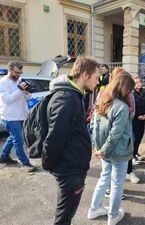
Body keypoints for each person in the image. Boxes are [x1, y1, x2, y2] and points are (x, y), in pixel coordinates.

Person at [42, 56, 99, 225]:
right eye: (96, 77)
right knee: (64, 217)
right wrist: (49, 163)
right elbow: (54, 138)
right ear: (85, 75)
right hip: (69, 170)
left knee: (66, 215)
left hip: (72, 166)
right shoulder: (66, 99)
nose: (98, 82)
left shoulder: (74, 95)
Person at [88, 73, 135, 225]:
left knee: (104, 178)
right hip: (117, 151)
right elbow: (116, 135)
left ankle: (94, 209)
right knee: (116, 184)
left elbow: (93, 127)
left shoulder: (102, 99)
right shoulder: (122, 107)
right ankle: (113, 216)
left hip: (104, 149)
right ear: (124, 89)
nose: (131, 93)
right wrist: (102, 150)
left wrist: (99, 148)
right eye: (130, 90)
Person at [0, 61, 36, 172]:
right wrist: (19, 90)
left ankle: (3, 156)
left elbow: (28, 98)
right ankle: (25, 163)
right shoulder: (3, 83)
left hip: (21, 115)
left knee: (13, 137)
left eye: (20, 72)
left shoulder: (19, 81)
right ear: (10, 70)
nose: (18, 75)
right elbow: (7, 100)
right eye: (16, 72)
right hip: (10, 117)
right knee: (18, 141)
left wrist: (26, 92)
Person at [127, 75, 145, 183]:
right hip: (135, 121)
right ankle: (132, 156)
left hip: (143, 119)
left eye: (139, 82)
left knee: (140, 137)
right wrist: (137, 116)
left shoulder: (143, 93)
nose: (138, 84)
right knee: (134, 139)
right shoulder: (131, 94)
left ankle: (135, 154)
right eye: (136, 82)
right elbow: (131, 109)